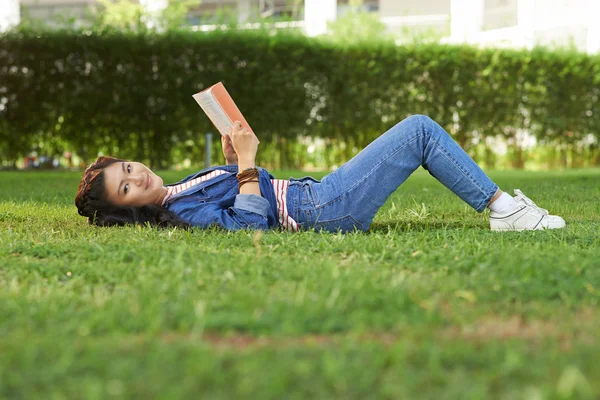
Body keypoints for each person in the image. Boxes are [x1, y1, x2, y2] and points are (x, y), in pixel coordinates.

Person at [75, 115, 565, 232]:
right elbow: (248, 225)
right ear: (128, 210)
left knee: (414, 131)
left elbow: (240, 191)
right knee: (417, 131)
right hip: (324, 209)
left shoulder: (180, 186)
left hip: (316, 194)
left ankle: (501, 206)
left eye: (128, 167)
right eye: (125, 187)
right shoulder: (179, 209)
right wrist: (245, 165)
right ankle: (505, 210)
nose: (136, 176)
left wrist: (232, 156)